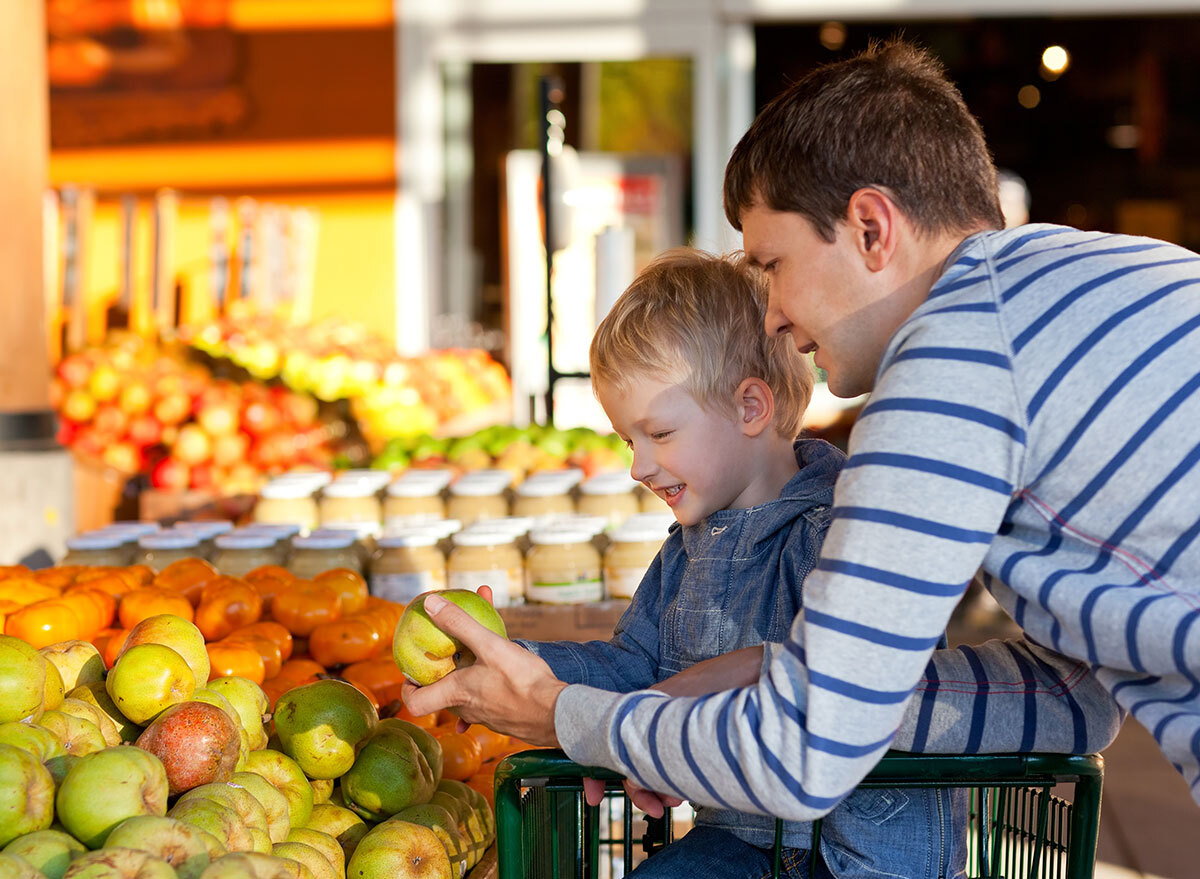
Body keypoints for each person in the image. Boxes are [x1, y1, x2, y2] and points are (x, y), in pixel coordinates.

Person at [405, 40, 1165, 823]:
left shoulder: (956, 359)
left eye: (772, 264)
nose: (769, 315)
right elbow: (1077, 695)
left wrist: (567, 716)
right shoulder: (1092, 282)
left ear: (871, 228)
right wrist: (780, 671)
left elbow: (802, 757)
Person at [513, 248, 966, 878]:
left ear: (751, 408)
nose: (639, 465)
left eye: (659, 434)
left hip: (859, 855)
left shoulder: (839, 533)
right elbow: (634, 666)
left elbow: (854, 684)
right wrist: (523, 665)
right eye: (627, 440)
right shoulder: (684, 550)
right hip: (747, 839)